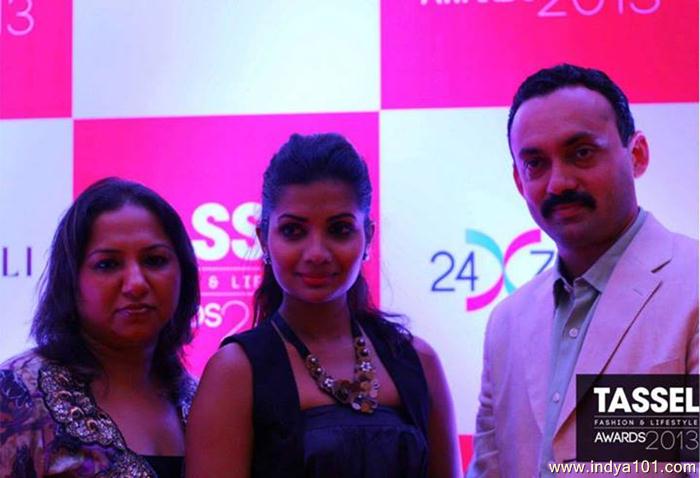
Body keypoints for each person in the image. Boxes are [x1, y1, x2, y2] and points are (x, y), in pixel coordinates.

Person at [467, 64, 698, 477]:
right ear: (519, 181)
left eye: (582, 153)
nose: (558, 183)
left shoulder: (692, 285)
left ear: (637, 154)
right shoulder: (508, 322)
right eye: (535, 163)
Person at [186, 133, 461, 478]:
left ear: (368, 237)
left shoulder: (418, 361)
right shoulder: (235, 372)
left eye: (339, 229)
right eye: (293, 231)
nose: (317, 253)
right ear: (264, 240)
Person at [0, 178, 200, 477]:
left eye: (154, 260)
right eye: (107, 264)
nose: (136, 284)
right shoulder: (16, 394)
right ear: (71, 280)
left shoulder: (200, 400)